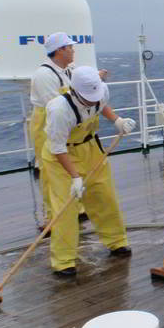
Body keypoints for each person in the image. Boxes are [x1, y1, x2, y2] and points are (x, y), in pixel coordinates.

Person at [41, 66, 134, 276]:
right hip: (61, 156)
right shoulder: (59, 110)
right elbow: (57, 148)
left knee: (104, 196)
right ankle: (63, 261)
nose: (93, 100)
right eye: (88, 98)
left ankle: (117, 241)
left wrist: (117, 121)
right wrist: (75, 177)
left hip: (91, 148)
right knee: (65, 209)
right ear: (74, 91)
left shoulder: (100, 92)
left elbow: (101, 106)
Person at [30, 32, 108, 227]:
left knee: (72, 165)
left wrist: (94, 79)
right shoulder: (44, 75)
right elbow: (56, 104)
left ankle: (77, 208)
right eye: (70, 47)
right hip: (47, 122)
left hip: (69, 122)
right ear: (59, 50)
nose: (73, 50)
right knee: (50, 171)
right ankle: (52, 217)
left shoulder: (70, 70)